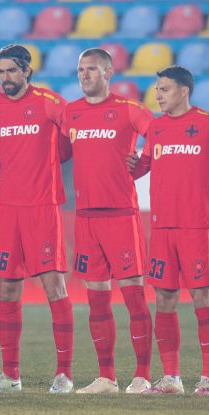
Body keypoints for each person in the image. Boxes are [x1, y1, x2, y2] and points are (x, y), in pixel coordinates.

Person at [0, 44, 77, 394]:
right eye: (0, 71)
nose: (5, 78)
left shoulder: (50, 103)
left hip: (43, 208)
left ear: (26, 71)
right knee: (8, 288)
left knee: (54, 286)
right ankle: (10, 376)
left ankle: (64, 374)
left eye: (11, 71)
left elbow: (71, 142)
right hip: (8, 209)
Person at [129, 65, 209, 396]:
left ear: (184, 91)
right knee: (165, 298)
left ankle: (208, 379)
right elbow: (143, 166)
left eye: (164, 89)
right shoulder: (155, 129)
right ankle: (171, 377)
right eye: (157, 89)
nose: (158, 95)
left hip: (196, 226)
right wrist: (128, 165)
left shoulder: (208, 124)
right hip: (162, 226)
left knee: (202, 296)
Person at [61, 49, 154, 395]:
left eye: (91, 69)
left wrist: (142, 166)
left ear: (108, 72)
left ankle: (142, 376)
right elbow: (56, 151)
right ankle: (107, 377)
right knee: (97, 300)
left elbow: (159, 135)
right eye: (80, 69)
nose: (84, 75)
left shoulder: (129, 109)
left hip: (121, 216)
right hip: (85, 218)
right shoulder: (70, 113)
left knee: (134, 298)